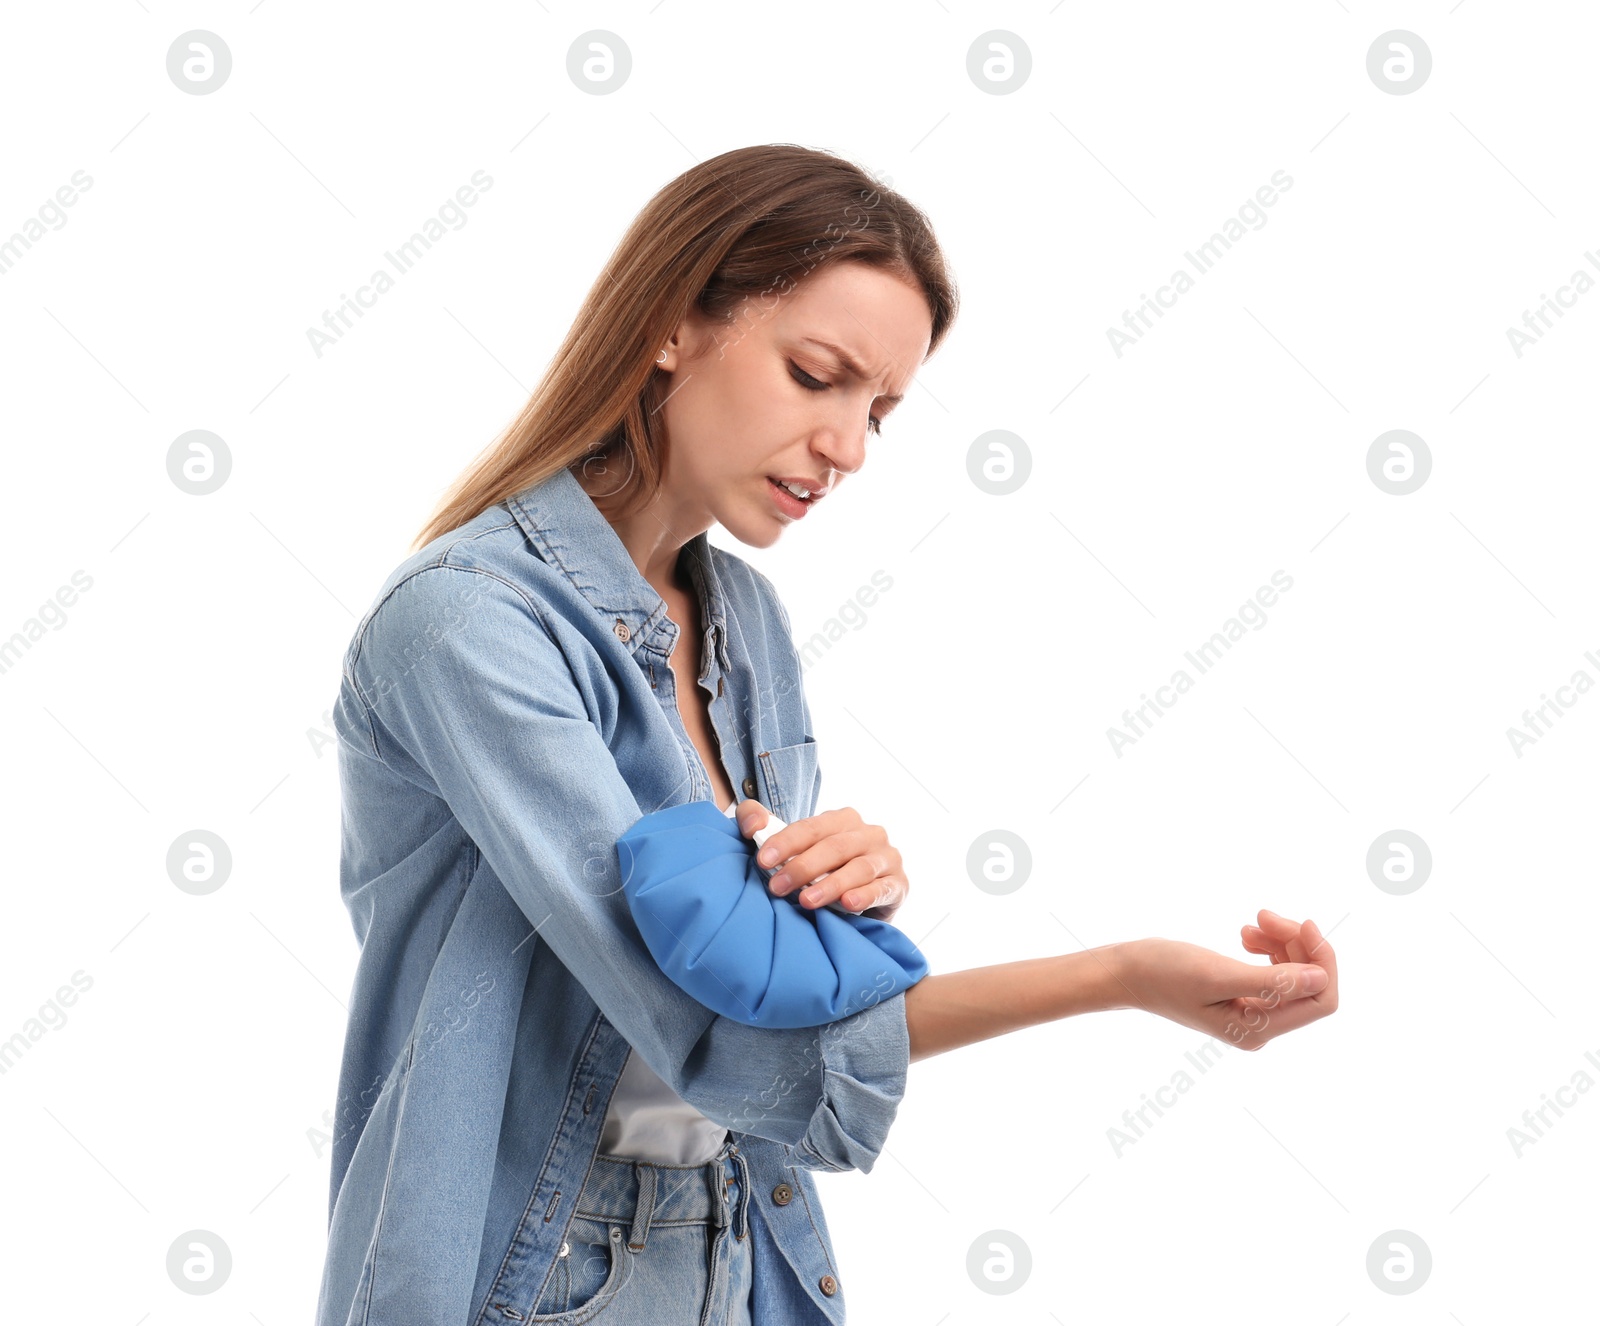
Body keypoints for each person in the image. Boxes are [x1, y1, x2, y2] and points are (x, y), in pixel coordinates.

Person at [315, 143, 1340, 1326]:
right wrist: (1117, 976)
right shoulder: (468, 624)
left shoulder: (744, 622)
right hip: (528, 1271)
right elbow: (708, 1019)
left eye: (880, 411)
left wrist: (837, 890)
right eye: (816, 375)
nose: (848, 448)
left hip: (748, 1249)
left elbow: (770, 973)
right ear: (669, 326)